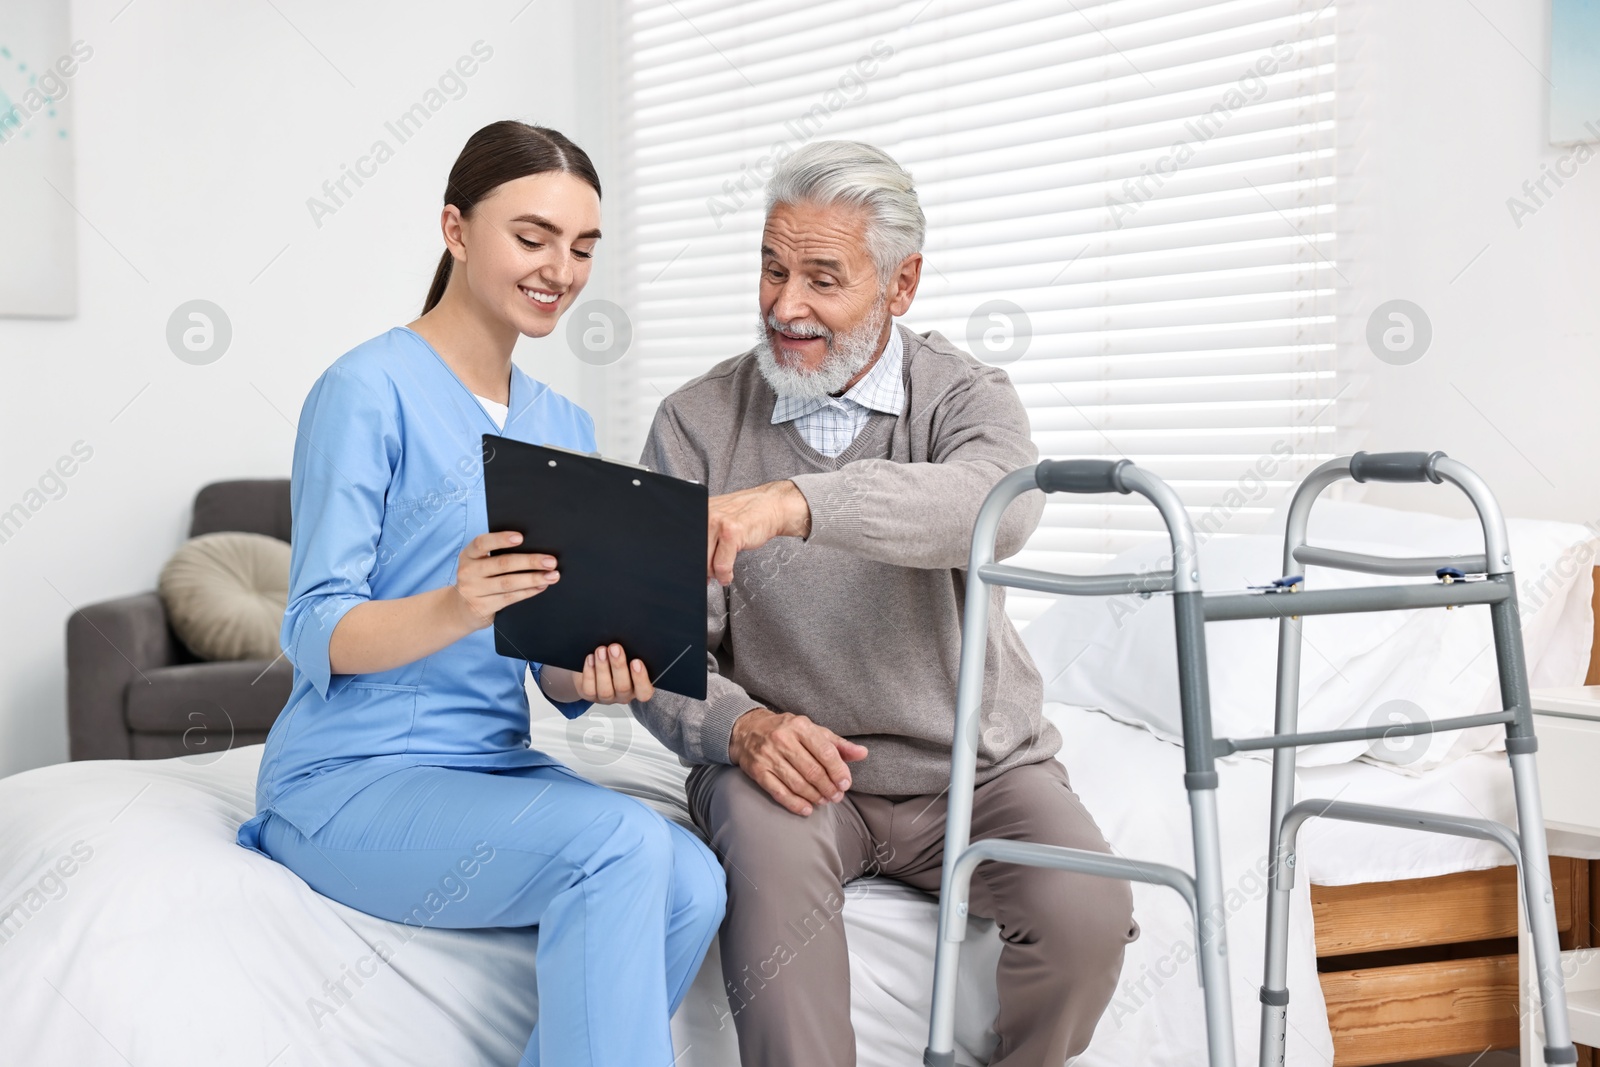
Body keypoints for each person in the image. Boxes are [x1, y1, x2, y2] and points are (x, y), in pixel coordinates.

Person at [629, 140, 1138, 1067]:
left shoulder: (964, 395)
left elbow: (1001, 504)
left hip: (975, 774)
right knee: (777, 935)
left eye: (824, 278)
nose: (787, 305)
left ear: (900, 286)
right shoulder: (694, 423)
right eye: (774, 269)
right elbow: (654, 644)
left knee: (1088, 913)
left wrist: (799, 503)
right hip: (793, 767)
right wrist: (742, 728)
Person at [235, 120, 725, 1067]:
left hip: (489, 763)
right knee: (622, 847)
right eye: (532, 237)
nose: (561, 269)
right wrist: (457, 605)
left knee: (695, 881)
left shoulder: (564, 423)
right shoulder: (364, 388)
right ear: (456, 230)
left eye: (583, 247)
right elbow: (313, 626)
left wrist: (595, 673)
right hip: (348, 777)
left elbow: (548, 666)